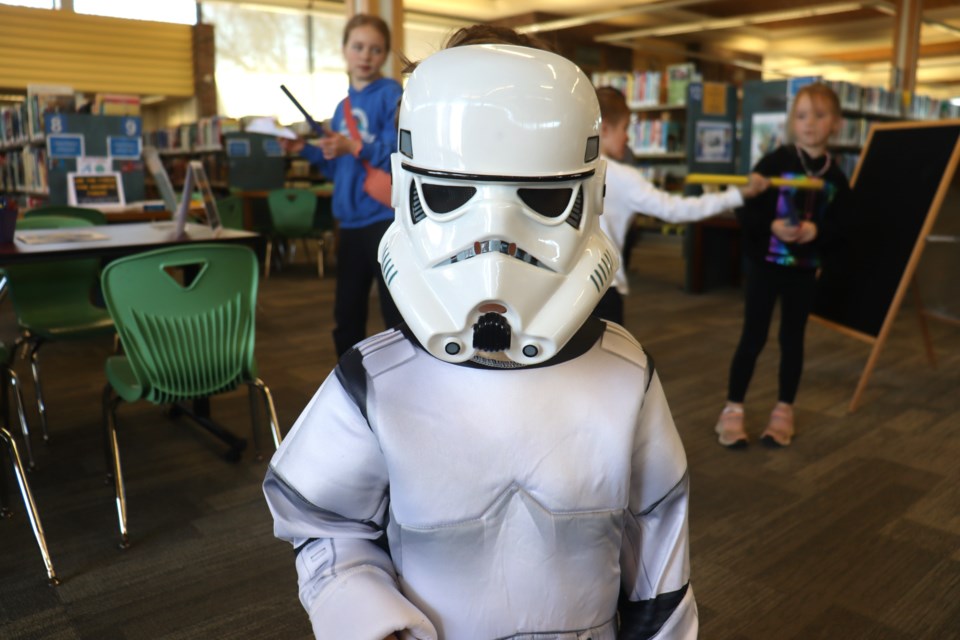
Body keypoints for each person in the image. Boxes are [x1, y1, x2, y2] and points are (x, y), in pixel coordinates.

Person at [264, 40, 698, 639]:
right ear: (405, 185)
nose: (494, 244)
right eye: (450, 196)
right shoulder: (377, 382)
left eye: (542, 201)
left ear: (592, 191)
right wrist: (368, 617)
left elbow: (659, 564)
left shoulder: (626, 377)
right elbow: (324, 523)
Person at [714, 82, 851, 449]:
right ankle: (732, 409)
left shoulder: (836, 178)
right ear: (793, 121)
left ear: (836, 123)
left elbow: (844, 225)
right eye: (802, 115)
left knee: (793, 340)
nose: (809, 123)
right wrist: (770, 225)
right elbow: (746, 206)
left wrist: (817, 231)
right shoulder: (775, 161)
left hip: (804, 271)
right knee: (753, 337)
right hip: (765, 267)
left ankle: (783, 410)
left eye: (820, 116)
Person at [281, 14, 403, 357]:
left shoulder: (392, 95)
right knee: (346, 314)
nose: (366, 56)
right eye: (358, 47)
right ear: (344, 50)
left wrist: (354, 146)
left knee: (396, 313)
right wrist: (302, 150)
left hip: (383, 220)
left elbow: (399, 155)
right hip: (348, 223)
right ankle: (350, 388)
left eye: (376, 49)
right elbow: (339, 171)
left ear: (385, 55)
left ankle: (406, 390)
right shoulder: (341, 108)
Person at [594, 86, 769, 325]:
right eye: (625, 128)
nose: (627, 137)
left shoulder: (564, 170)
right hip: (604, 290)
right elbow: (675, 210)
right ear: (604, 129)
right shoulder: (622, 177)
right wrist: (738, 195)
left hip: (567, 292)